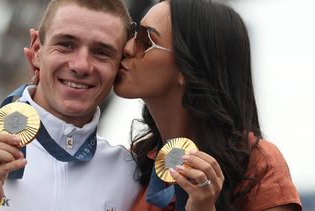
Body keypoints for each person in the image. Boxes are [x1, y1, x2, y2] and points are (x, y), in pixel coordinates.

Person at [0, 0, 141, 210]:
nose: (81, 65)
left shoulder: (129, 175)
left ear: (120, 64)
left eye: (101, 52)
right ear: (37, 50)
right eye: (66, 44)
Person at [113, 0, 302, 210]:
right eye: (133, 33)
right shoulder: (134, 162)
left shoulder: (256, 162)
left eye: (145, 41)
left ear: (188, 67)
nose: (127, 48)